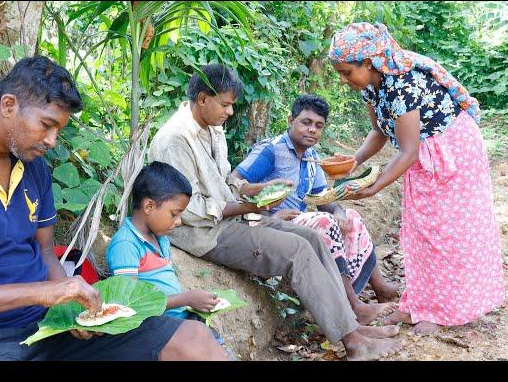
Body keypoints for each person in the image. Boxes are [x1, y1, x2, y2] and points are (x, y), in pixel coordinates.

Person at [0, 55, 228, 361]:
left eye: (59, 130)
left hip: (46, 327)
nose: (52, 140)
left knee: (192, 339)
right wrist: (41, 293)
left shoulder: (33, 165)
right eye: (46, 125)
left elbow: (46, 252)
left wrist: (70, 309)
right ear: (8, 105)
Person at [148, 63, 402, 360]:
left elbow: (227, 181)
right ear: (203, 98)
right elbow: (189, 211)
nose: (230, 112)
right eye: (226, 104)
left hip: (232, 217)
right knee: (296, 249)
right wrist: (251, 206)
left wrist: (254, 191)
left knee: (312, 239)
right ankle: (353, 343)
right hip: (204, 233)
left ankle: (352, 324)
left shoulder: (212, 129)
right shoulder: (175, 140)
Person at [328, 22, 505, 335]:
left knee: (447, 234)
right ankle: (420, 305)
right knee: (421, 232)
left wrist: (374, 186)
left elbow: (407, 151)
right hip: (425, 153)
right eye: (340, 73)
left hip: (451, 150)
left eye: (346, 72)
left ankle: (445, 310)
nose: (343, 80)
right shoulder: (371, 84)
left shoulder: (402, 82)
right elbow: (379, 131)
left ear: (367, 63)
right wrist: (354, 160)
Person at [232, 94, 399, 323]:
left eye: (318, 126)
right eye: (306, 123)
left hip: (296, 222)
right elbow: (235, 183)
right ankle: (353, 305)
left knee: (350, 216)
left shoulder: (311, 157)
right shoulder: (271, 151)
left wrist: (338, 212)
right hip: (267, 225)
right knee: (325, 222)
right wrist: (267, 213)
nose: (312, 130)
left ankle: (379, 288)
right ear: (291, 120)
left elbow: (322, 198)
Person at [106, 161, 230, 352]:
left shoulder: (161, 237)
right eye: (174, 213)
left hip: (178, 319)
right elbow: (128, 306)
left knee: (218, 348)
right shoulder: (126, 245)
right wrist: (186, 299)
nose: (178, 221)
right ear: (149, 206)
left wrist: (191, 303)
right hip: (154, 328)